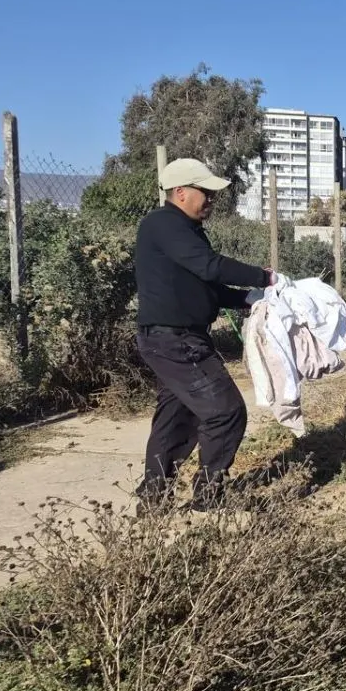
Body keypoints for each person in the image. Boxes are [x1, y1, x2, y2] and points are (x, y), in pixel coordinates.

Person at [134, 158, 275, 511]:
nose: (211, 200)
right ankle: (209, 496)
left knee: (177, 418)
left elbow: (206, 284)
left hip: (173, 338)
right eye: (206, 193)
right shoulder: (164, 224)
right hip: (176, 340)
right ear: (180, 193)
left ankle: (154, 499)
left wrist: (248, 298)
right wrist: (263, 277)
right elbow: (210, 266)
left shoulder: (184, 229)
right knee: (225, 412)